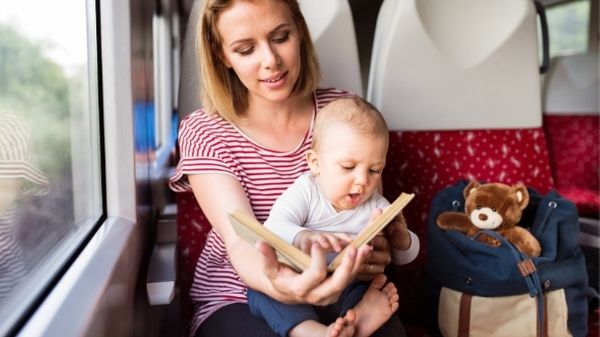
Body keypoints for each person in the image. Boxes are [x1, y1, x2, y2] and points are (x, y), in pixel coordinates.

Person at [169, 1, 416, 336]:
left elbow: (366, 210)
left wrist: (377, 251)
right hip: (242, 293)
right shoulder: (205, 131)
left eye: (281, 37)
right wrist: (289, 286)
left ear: (299, 31)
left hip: (342, 288)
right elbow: (240, 241)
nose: (270, 61)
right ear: (222, 55)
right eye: (245, 49)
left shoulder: (346, 114)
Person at [247, 96, 419, 337]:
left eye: (374, 170)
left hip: (350, 287)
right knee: (260, 292)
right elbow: (273, 227)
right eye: (349, 167)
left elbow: (403, 258)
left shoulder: (376, 204)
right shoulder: (306, 191)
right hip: (299, 286)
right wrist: (302, 237)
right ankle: (311, 331)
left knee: (380, 297)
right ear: (316, 164)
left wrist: (402, 239)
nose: (363, 181)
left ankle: (359, 317)